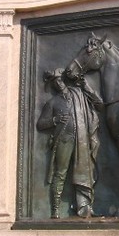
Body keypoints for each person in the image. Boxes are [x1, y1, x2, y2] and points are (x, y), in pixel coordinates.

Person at [36, 67, 103, 218]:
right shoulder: (52, 102)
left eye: (59, 80)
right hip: (64, 141)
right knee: (60, 174)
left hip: (82, 141)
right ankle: (55, 210)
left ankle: (85, 208)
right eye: (54, 82)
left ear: (63, 80)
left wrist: (86, 86)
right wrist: (54, 120)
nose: (58, 84)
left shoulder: (78, 95)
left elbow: (99, 104)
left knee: (85, 172)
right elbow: (40, 124)